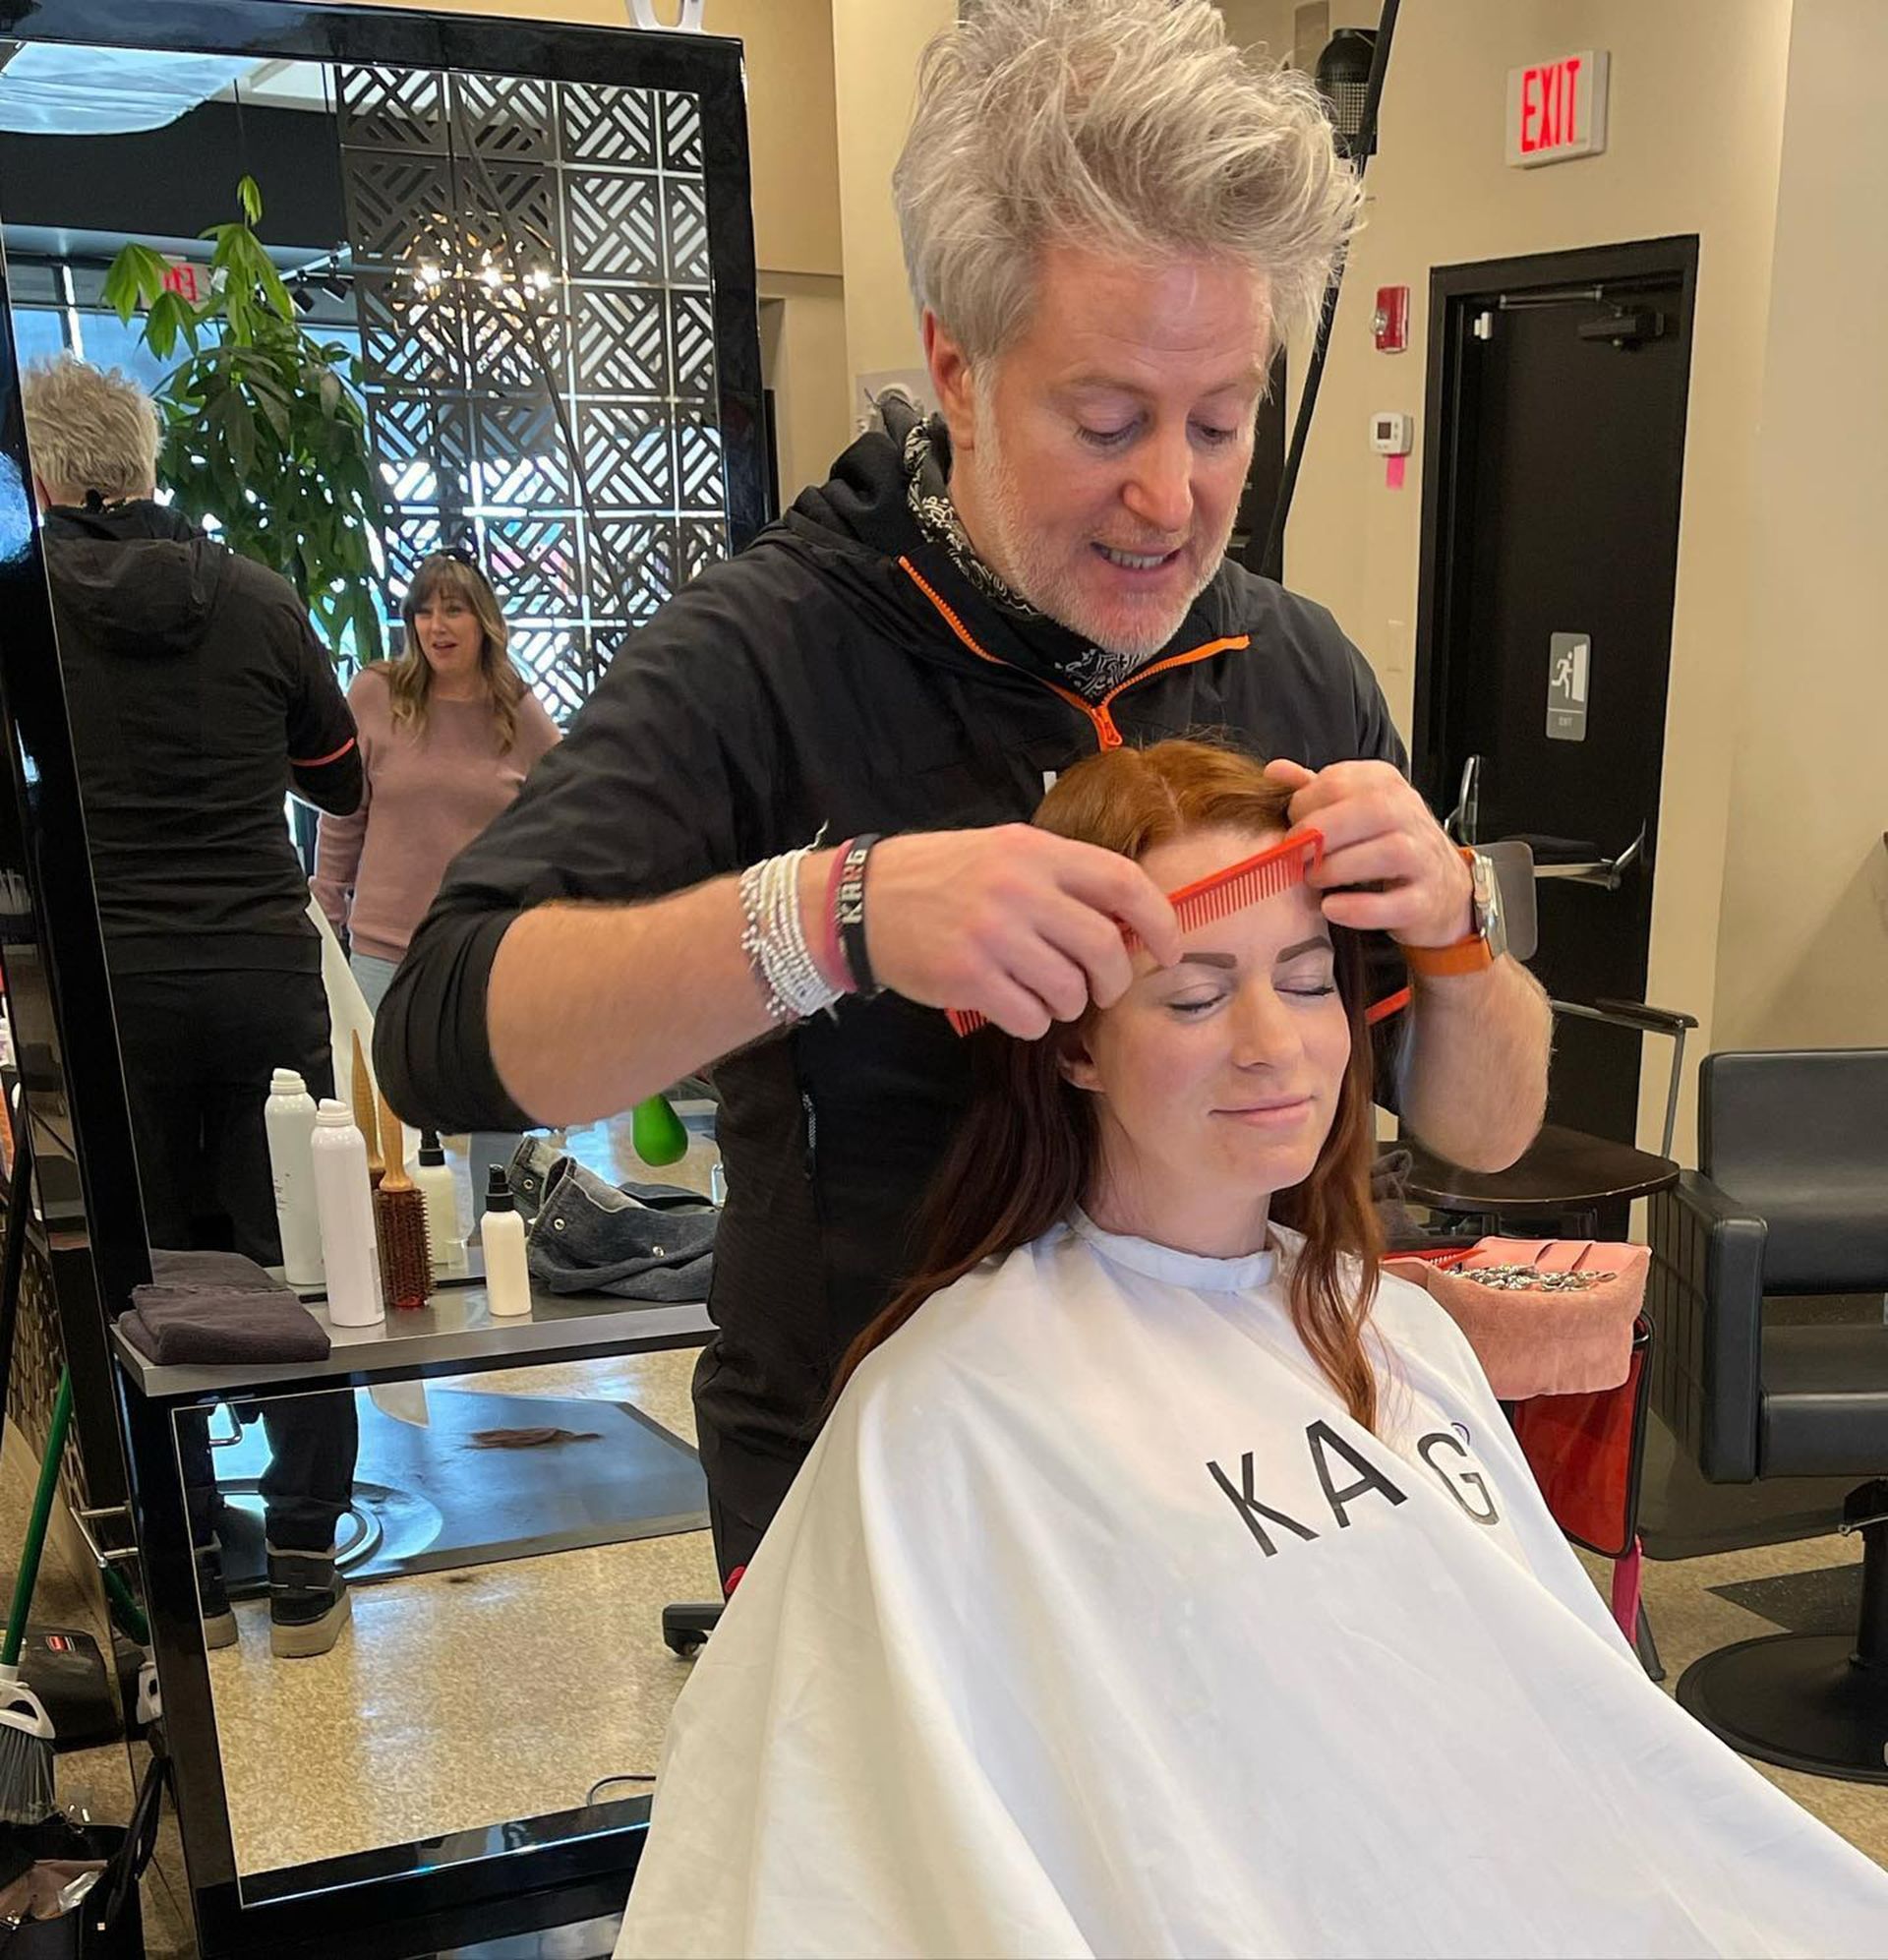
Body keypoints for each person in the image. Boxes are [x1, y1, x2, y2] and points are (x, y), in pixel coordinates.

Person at [378, 0, 1553, 1586]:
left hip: (1213, 1493)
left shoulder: (1299, 671)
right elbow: (443, 1029)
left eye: (1222, 421)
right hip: (874, 1501)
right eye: (1107, 419)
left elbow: (1484, 1124)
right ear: (958, 366)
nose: (1173, 494)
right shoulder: (775, 650)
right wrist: (830, 918)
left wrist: (1461, 928)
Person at [615, 742, 1888, 1959]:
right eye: (1195, 992)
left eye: (1307, 976)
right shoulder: (954, 1407)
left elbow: (1571, 1733)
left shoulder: (1397, 1328)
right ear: (1072, 1040)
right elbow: (840, 1864)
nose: (1276, 1044)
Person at [21, 354, 362, 1658]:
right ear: (149, 460)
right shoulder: (261, 598)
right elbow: (336, 778)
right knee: (299, 1263)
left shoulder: (23, 611)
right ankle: (302, 1559)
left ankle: (192, 1574)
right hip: (260, 975)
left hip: (111, 991)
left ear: (45, 475)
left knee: (142, 1275)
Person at [313, 549, 560, 1214]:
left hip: (482, 950)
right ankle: (387, 1246)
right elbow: (345, 811)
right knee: (372, 1107)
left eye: (453, 608)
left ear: (484, 620)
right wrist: (325, 901)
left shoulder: (516, 708)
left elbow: (567, 807)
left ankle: (500, 1242)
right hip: (382, 946)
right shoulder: (376, 693)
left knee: (495, 1105)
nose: (437, 624)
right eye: (423, 609)